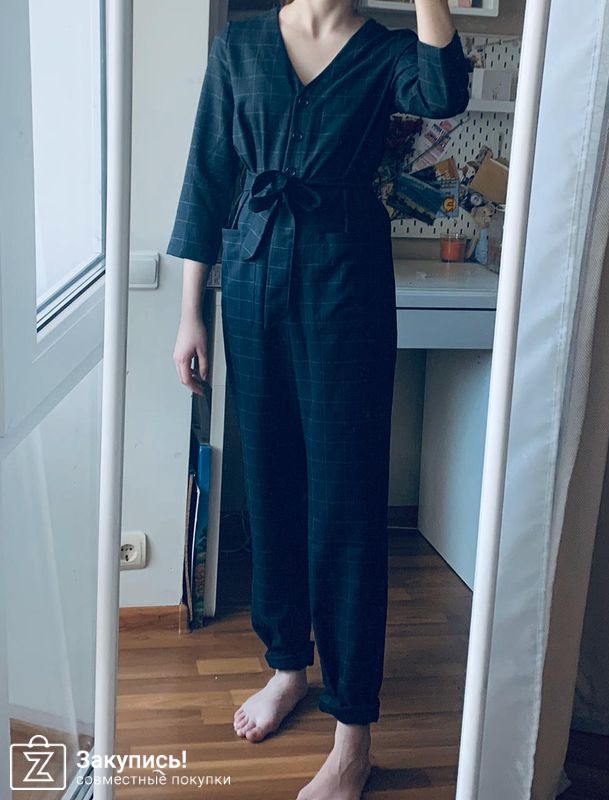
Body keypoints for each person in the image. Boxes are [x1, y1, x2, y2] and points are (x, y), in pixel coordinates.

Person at [168, 1, 469, 797]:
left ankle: (352, 733)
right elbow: (207, 174)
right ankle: (286, 665)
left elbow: (445, 92)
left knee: (346, 502)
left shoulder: (386, 52)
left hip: (348, 285)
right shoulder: (240, 46)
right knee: (271, 487)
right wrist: (191, 311)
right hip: (253, 278)